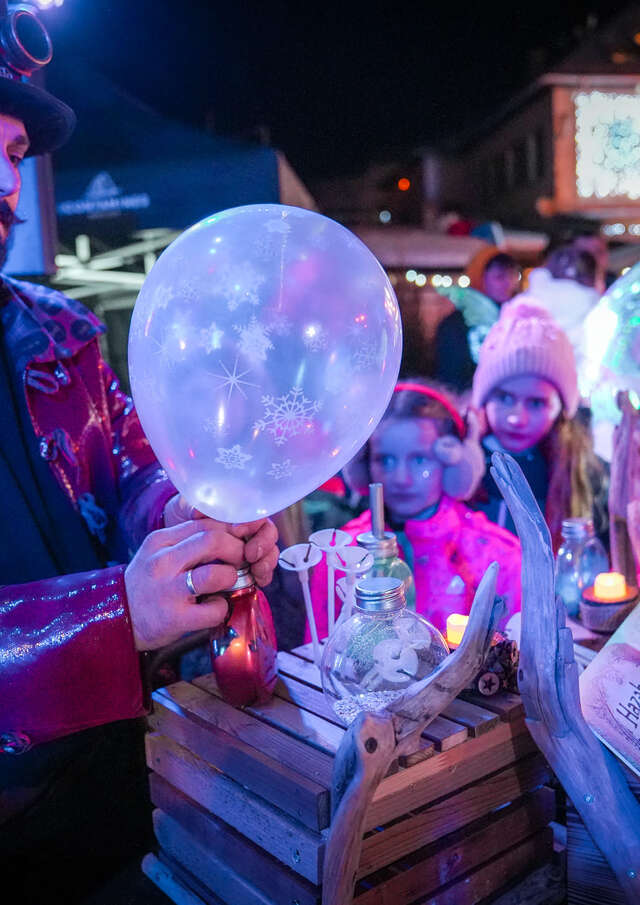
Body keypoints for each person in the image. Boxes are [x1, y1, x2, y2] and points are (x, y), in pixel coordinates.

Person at [0, 36, 279, 903]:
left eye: (14, 152)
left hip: (123, 772)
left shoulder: (62, 332)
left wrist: (189, 523)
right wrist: (116, 614)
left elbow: (131, 472)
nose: (7, 183)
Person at [306, 380, 521, 639]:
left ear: (455, 463)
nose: (401, 479)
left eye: (420, 459)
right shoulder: (341, 557)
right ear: (363, 465)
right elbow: (319, 651)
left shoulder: (498, 558)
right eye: (385, 460)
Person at [470, 300, 608, 551]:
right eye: (504, 398)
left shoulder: (586, 475)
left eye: (536, 403)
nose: (517, 418)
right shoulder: (458, 466)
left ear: (560, 408)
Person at [434, 248, 521, 393]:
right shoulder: (455, 325)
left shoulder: (517, 319)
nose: (509, 283)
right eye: (499, 277)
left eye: (513, 275)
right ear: (480, 278)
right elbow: (450, 379)